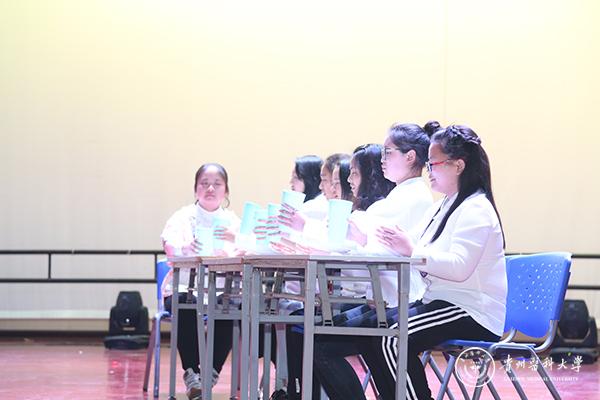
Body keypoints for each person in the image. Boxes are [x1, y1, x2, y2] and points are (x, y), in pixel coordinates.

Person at [315, 125, 507, 400]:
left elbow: (458, 267)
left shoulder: (476, 208)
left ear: (458, 166)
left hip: (471, 310)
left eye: (433, 164)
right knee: (374, 332)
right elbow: (410, 246)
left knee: (391, 337)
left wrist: (410, 250)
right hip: (441, 301)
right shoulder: (442, 206)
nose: (428, 171)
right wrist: (369, 239)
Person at [160, 163, 240, 400]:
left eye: (217, 184)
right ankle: (193, 373)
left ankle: (210, 373)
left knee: (230, 307)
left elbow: (246, 251)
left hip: (222, 289)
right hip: (184, 286)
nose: (210, 189)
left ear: (226, 190)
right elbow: (169, 248)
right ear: (196, 189)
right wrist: (185, 248)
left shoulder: (232, 221)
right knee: (185, 303)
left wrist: (235, 243)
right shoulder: (182, 217)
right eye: (204, 183)